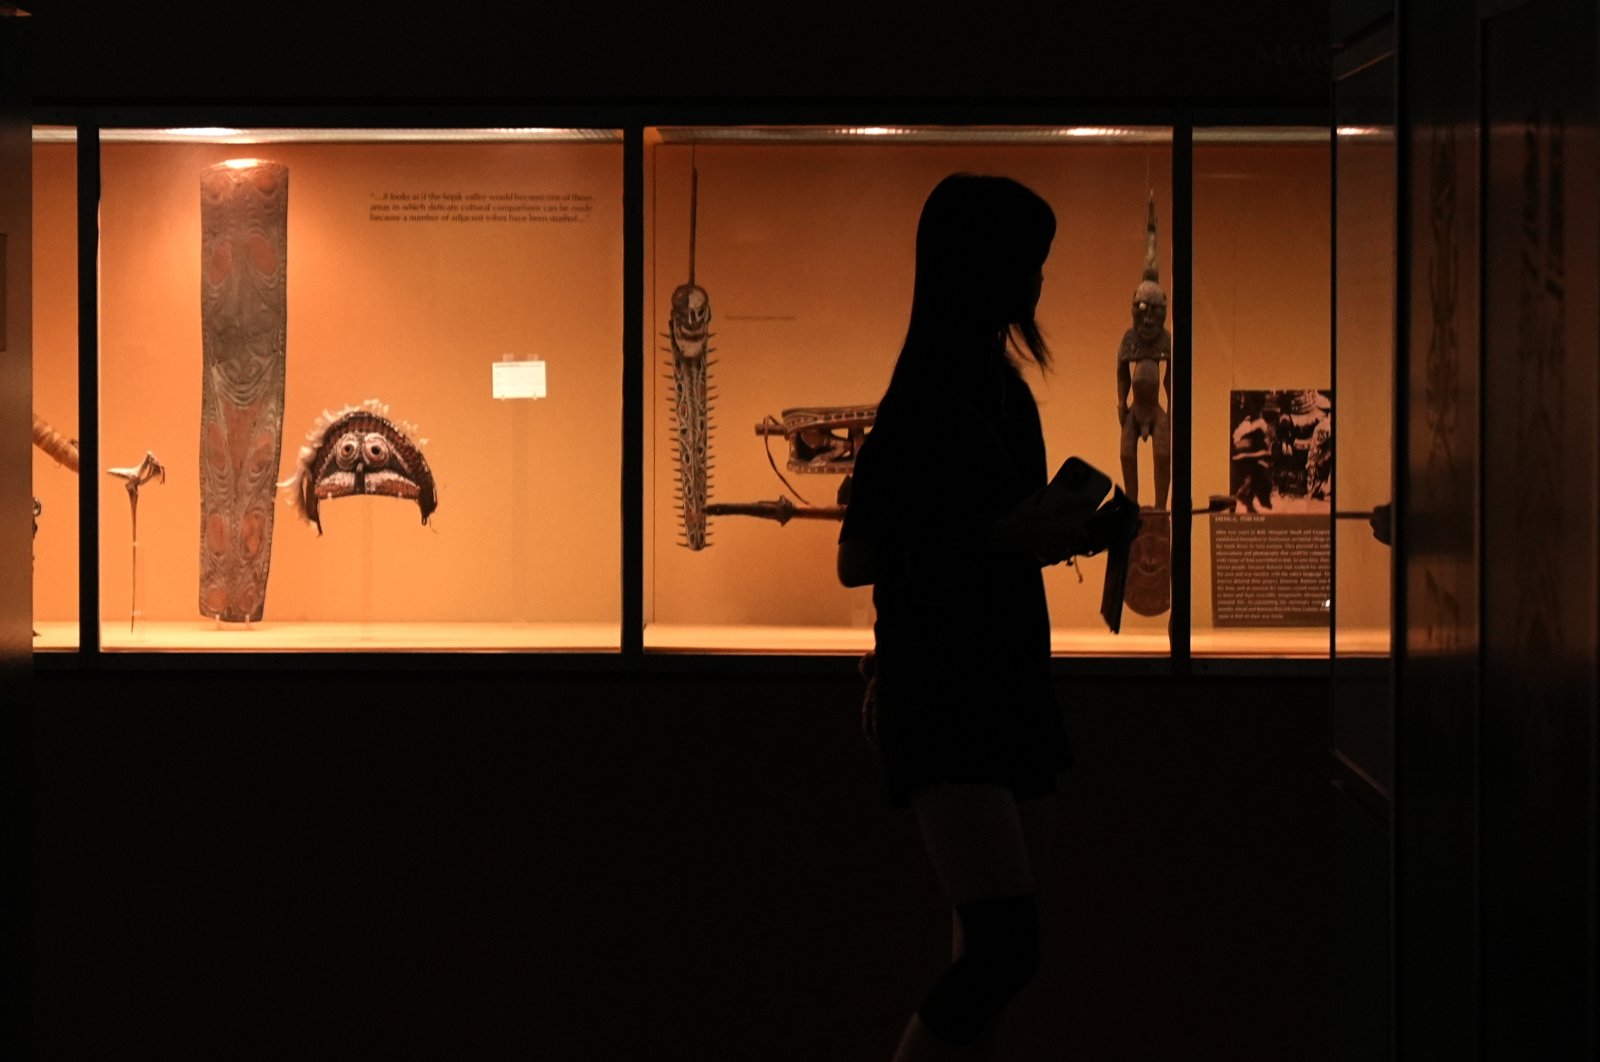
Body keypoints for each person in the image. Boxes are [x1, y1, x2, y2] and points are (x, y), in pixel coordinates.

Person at [837, 174, 1082, 1060]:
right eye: (1027, 265)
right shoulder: (927, 408)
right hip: (949, 687)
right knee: (1005, 949)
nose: (1037, 283)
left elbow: (927, 547)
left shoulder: (997, 394)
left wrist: (1052, 532)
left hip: (1001, 674)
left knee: (993, 949)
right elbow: (861, 558)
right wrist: (1000, 535)